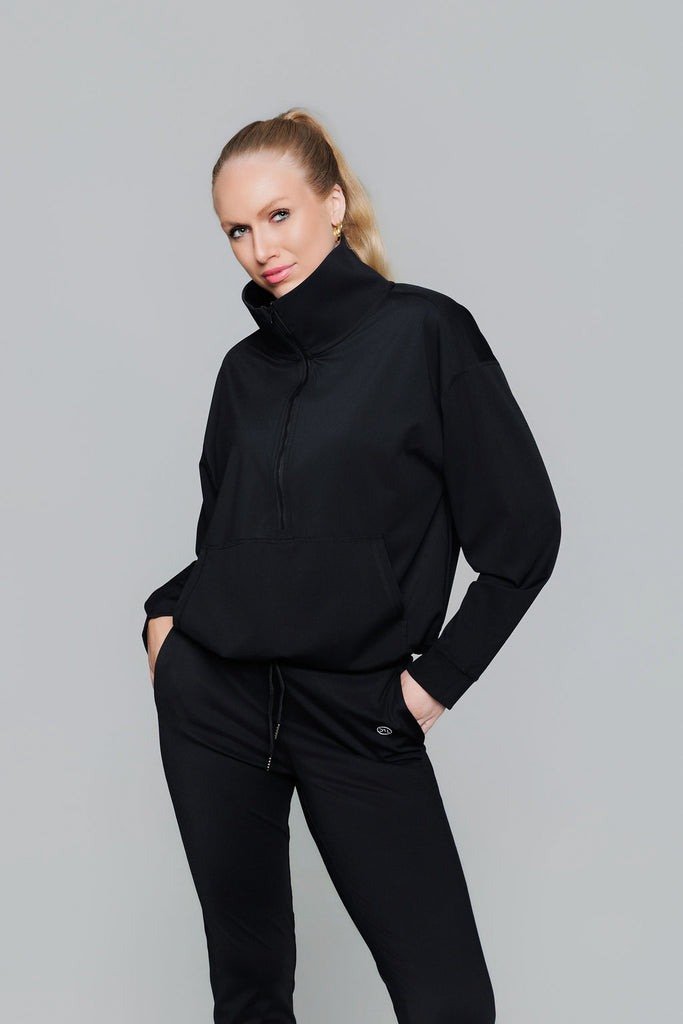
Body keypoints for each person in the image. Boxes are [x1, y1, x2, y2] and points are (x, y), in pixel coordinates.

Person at [141, 107, 561, 1024]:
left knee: (448, 1002)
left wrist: (433, 684)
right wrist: (164, 626)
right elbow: (230, 544)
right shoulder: (241, 374)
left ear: (332, 204)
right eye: (236, 230)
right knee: (248, 992)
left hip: (358, 709)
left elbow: (524, 536)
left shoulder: (426, 335)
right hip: (218, 702)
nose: (260, 249)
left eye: (278, 215)